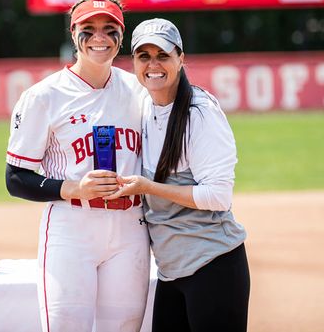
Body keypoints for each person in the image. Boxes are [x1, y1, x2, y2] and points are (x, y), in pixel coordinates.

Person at [4, 0, 150, 332]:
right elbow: (16, 178)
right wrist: (72, 188)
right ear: (74, 34)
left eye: (109, 28)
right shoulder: (45, 96)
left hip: (130, 227)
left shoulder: (139, 91)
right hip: (72, 228)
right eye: (89, 28)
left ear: (121, 34)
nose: (99, 37)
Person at [105, 18, 250, 332]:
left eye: (163, 55)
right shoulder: (143, 105)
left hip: (213, 266)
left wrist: (148, 187)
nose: (153, 64)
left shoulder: (200, 112)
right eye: (144, 56)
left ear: (181, 58)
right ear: (134, 63)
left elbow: (218, 196)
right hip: (172, 272)